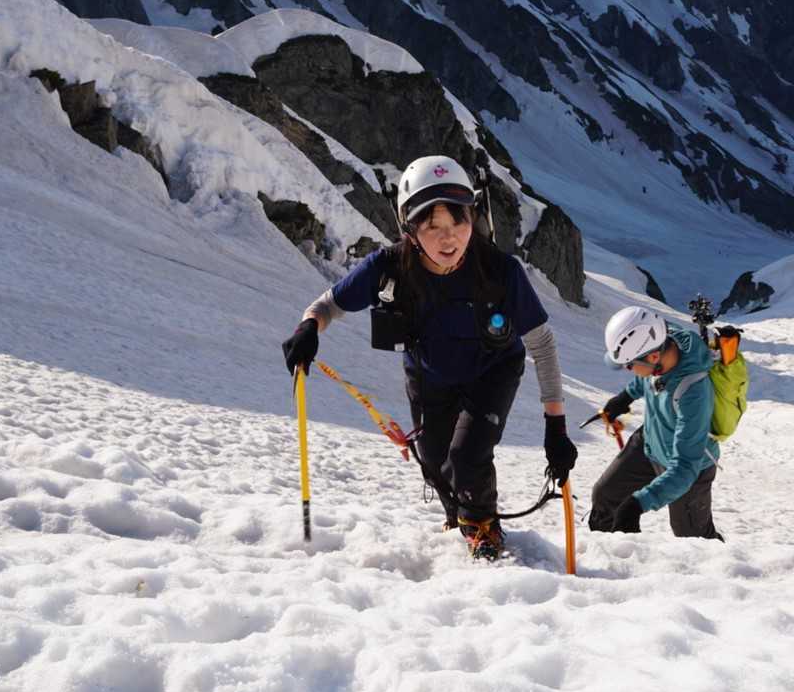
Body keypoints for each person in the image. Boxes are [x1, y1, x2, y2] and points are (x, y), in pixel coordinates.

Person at [281, 155, 576, 560]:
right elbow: (329, 304)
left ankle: (484, 530)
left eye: (459, 221)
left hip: (493, 370)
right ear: (409, 228)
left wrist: (556, 427)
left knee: (466, 456)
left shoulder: (499, 271)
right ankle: (462, 519)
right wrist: (309, 328)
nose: (449, 237)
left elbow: (541, 343)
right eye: (432, 225)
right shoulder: (389, 268)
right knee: (437, 466)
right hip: (429, 376)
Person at [589, 306, 722, 540]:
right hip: (650, 443)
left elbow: (685, 467)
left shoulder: (694, 391)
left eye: (629, 365)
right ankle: (611, 555)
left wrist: (639, 503)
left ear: (653, 357)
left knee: (693, 539)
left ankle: (720, 562)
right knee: (605, 497)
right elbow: (649, 378)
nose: (628, 370)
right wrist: (625, 397)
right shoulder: (662, 342)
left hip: (688, 468)